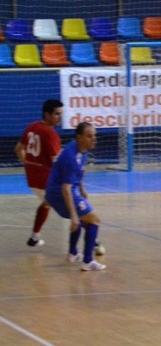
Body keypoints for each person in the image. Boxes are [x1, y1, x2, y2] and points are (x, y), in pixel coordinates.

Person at [45, 122, 105, 271]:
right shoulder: (71, 157)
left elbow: (78, 172)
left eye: (94, 136)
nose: (93, 139)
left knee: (83, 217)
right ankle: (88, 261)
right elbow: (66, 189)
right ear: (79, 137)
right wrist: (73, 216)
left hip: (54, 192)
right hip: (60, 193)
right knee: (94, 220)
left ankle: (73, 253)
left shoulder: (80, 148)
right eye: (89, 136)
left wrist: (81, 187)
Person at [16, 99, 64, 248]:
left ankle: (34, 237)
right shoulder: (50, 134)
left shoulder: (32, 127)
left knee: (46, 203)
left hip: (32, 180)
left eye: (61, 114)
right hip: (46, 180)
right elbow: (57, 163)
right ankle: (91, 244)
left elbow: (18, 148)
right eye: (57, 114)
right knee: (74, 207)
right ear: (47, 115)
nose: (60, 117)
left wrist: (28, 165)